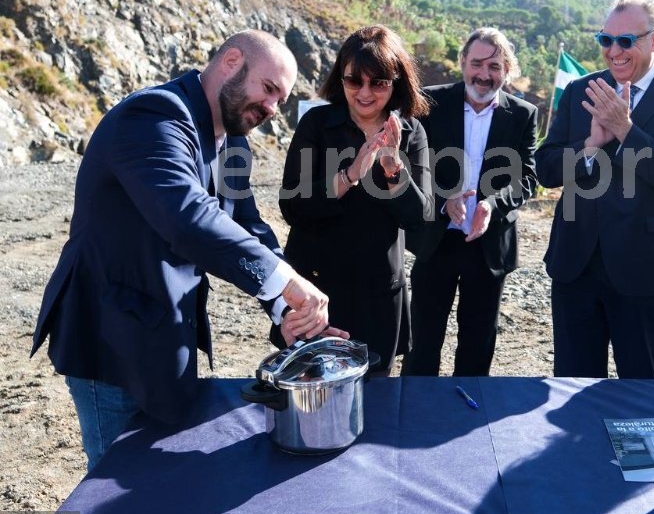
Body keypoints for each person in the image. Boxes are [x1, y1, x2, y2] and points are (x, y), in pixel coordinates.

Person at [30, 30, 341, 470]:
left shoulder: (233, 141)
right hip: (108, 338)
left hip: (167, 338)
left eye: (281, 100)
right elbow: (187, 215)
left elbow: (246, 225)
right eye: (269, 90)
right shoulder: (154, 115)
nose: (273, 109)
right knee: (114, 482)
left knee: (158, 480)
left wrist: (283, 310)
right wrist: (289, 283)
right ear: (231, 62)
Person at [536, 0, 654, 379]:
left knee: (642, 390)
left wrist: (625, 130)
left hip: (646, 267)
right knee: (572, 385)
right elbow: (547, 168)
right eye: (606, 40)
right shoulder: (580, 90)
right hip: (577, 264)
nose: (613, 51)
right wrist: (589, 147)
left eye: (625, 41)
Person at [277, 25, 433, 374]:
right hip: (315, 292)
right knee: (308, 400)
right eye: (354, 81)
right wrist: (350, 175)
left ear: (396, 83)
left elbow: (421, 221)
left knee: (376, 407)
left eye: (378, 82)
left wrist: (393, 171)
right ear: (341, 78)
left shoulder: (411, 133)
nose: (365, 92)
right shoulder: (317, 124)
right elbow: (292, 206)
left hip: (379, 295)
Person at [402, 28, 538, 377]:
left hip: (489, 245)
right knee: (422, 341)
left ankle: (467, 420)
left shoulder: (523, 115)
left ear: (507, 70)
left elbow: (528, 179)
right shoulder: (429, 103)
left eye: (494, 66)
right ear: (462, 62)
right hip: (436, 239)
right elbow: (412, 165)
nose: (484, 74)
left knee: (478, 343)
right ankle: (415, 413)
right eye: (476, 63)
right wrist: (444, 198)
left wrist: (492, 204)